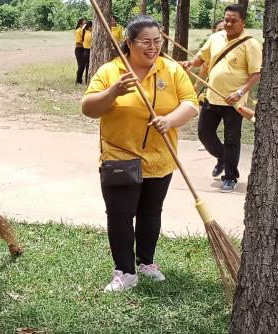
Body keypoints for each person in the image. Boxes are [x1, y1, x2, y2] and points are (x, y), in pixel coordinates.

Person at [81, 15, 198, 292]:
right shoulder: (112, 71)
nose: (152, 47)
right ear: (130, 43)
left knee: (150, 213)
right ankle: (125, 271)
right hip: (119, 157)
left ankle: (146, 261)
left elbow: (191, 104)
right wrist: (113, 92)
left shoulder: (171, 70)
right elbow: (88, 108)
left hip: (160, 158)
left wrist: (169, 120)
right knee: (120, 215)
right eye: (145, 41)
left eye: (157, 41)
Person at [181, 4, 262, 193]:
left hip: (234, 102)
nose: (228, 23)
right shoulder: (215, 37)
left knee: (232, 139)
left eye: (233, 20)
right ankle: (224, 159)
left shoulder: (251, 44)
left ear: (243, 22)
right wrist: (190, 63)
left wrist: (240, 92)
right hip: (211, 97)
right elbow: (201, 58)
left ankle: (230, 177)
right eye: (226, 19)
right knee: (204, 133)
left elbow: (256, 74)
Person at [195, 19, 225, 151]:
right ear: (214, 31)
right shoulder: (213, 46)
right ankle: (211, 144)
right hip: (211, 92)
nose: (223, 32)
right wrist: (196, 86)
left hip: (232, 93)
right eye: (219, 29)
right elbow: (203, 67)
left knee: (231, 129)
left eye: (225, 29)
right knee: (206, 127)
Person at [74, 18, 87, 84]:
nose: (85, 24)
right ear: (80, 24)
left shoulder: (86, 31)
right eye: (84, 23)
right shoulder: (78, 31)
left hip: (85, 49)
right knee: (81, 65)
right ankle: (78, 80)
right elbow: (78, 42)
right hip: (79, 50)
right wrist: (86, 44)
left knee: (85, 65)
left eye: (86, 23)